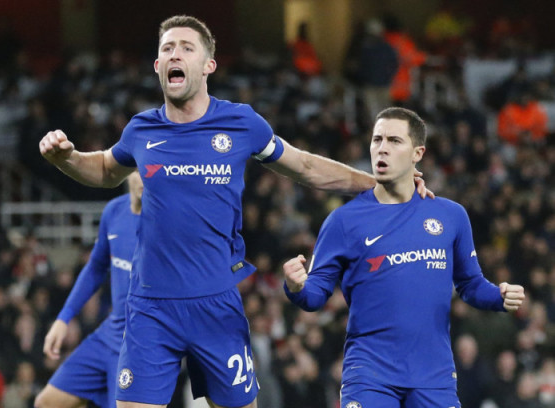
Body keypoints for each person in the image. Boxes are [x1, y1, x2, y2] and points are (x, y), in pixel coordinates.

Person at [39, 16, 431, 408]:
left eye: (186, 48)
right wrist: (67, 159)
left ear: (208, 65)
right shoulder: (141, 129)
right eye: (167, 49)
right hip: (150, 308)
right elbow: (105, 170)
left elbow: (305, 167)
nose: (175, 54)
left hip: (216, 306)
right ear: (158, 66)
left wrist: (377, 184)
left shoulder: (241, 123)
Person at [283, 106, 525, 408]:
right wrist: (295, 286)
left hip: (433, 375)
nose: (382, 148)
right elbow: (315, 296)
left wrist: (498, 296)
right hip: (369, 375)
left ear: (417, 153)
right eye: (377, 140)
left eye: (394, 141)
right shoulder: (343, 221)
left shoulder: (450, 215)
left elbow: (470, 284)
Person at [34, 171, 142, 408]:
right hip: (110, 333)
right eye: (138, 170)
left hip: (141, 344)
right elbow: (96, 267)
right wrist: (63, 318)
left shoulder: (167, 222)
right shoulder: (114, 211)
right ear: (126, 171)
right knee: (46, 403)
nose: (145, 177)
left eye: (152, 169)